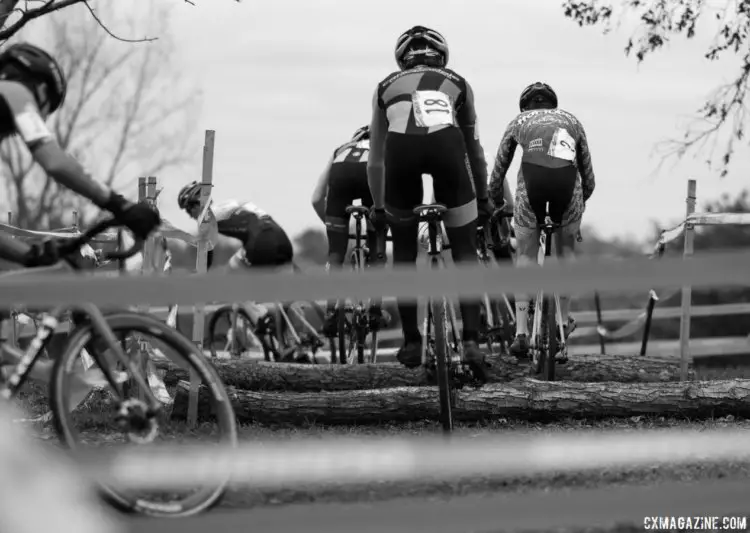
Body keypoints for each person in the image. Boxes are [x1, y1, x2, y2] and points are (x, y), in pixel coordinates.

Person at [366, 25, 493, 381]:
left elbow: (375, 159)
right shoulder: (459, 83)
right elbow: (475, 152)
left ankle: (410, 341)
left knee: (405, 254)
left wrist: (379, 208)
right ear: (442, 56)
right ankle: (470, 340)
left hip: (399, 156)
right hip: (448, 150)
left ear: (401, 59)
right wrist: (482, 199)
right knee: (466, 251)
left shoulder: (384, 86)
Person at [0, 43, 160, 268]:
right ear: (41, 89)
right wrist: (118, 204)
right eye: (44, 109)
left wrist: (29, 256)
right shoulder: (13, 90)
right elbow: (55, 162)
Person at [488, 82, 596, 359]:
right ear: (554, 106)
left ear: (525, 107)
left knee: (525, 254)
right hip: (568, 188)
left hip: (530, 189)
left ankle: (521, 333)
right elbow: (589, 176)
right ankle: (561, 325)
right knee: (566, 253)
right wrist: (578, 206)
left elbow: (499, 170)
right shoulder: (572, 120)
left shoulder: (519, 121)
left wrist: (497, 203)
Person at [176, 182, 300, 357]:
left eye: (188, 211)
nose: (190, 216)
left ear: (196, 204)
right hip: (282, 240)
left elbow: (206, 252)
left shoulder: (207, 216)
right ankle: (294, 344)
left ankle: (260, 317)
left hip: (261, 241)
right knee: (283, 299)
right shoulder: (229, 205)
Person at [310, 124, 389, 337]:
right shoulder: (385, 145)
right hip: (371, 173)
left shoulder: (342, 149)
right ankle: (375, 309)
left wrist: (336, 230)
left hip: (340, 174)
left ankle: (330, 315)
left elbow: (316, 199)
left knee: (336, 253)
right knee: (377, 244)